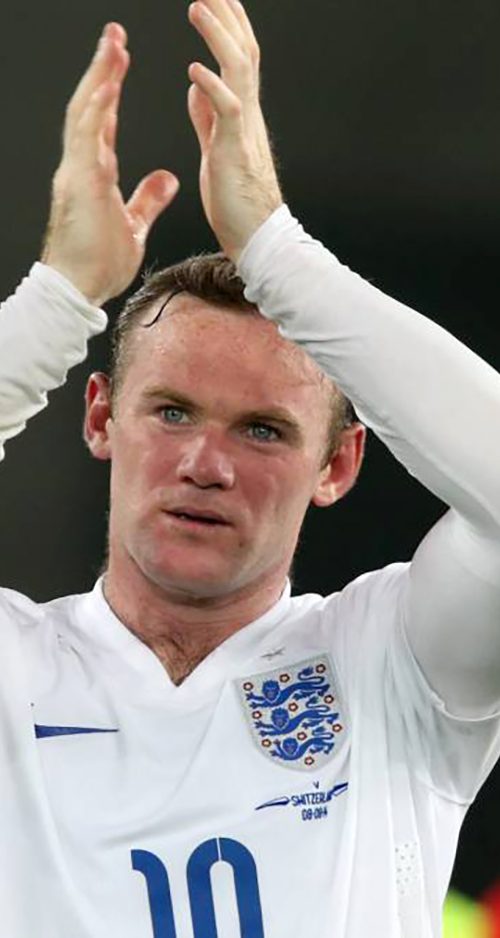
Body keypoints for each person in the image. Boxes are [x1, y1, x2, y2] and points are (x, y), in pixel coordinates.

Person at [0, 1, 499, 936]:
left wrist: (277, 249)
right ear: (101, 417)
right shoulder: (13, 664)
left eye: (263, 431)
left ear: (338, 464)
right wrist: (58, 299)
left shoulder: (395, 663)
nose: (205, 465)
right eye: (172, 412)